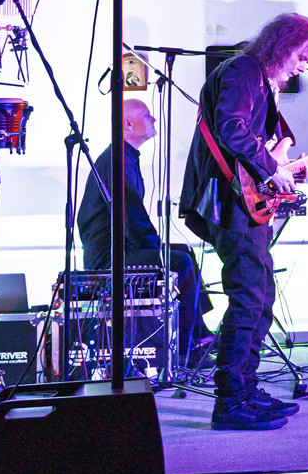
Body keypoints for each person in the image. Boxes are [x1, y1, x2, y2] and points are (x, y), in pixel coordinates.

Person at [180, 14, 308, 432]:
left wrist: (282, 169)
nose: (303, 67)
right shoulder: (243, 69)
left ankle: (246, 388)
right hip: (229, 205)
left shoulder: (261, 81)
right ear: (282, 46)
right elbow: (231, 128)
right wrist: (271, 168)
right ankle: (229, 401)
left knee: (260, 298)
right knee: (247, 297)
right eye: (302, 57)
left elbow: (254, 146)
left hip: (246, 204)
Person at [78, 99, 213, 363]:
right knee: (179, 261)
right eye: (147, 115)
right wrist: (156, 247)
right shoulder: (116, 160)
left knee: (184, 252)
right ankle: (187, 347)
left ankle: (199, 333)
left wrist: (157, 246)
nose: (153, 119)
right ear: (128, 124)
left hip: (124, 248)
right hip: (109, 257)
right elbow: (131, 216)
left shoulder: (125, 157)